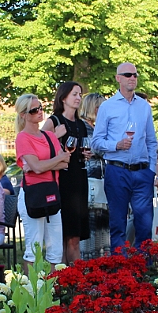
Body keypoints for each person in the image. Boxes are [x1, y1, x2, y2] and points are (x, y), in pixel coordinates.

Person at [90, 63, 158, 251]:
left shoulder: (144, 107)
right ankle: (121, 271)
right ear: (118, 78)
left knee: (145, 225)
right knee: (118, 223)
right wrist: (116, 145)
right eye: (128, 75)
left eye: (135, 75)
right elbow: (96, 142)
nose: (132, 78)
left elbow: (152, 141)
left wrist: (151, 170)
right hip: (117, 170)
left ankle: (144, 268)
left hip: (142, 171)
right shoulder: (107, 107)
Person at [16, 93, 70, 269]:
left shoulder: (49, 136)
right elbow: (42, 165)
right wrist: (45, 163)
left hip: (52, 191)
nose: (39, 112)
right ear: (23, 114)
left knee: (55, 248)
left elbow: (65, 162)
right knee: (34, 247)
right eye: (34, 110)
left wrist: (39, 165)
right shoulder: (23, 138)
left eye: (40, 108)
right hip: (33, 193)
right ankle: (30, 291)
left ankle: (53, 288)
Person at [41, 81, 90, 263]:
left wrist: (86, 154)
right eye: (74, 94)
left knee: (75, 235)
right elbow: (39, 147)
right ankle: (60, 280)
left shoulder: (81, 124)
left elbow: (81, 149)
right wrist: (55, 136)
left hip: (79, 180)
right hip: (60, 181)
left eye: (80, 94)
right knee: (60, 235)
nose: (78, 98)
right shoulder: (53, 121)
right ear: (63, 98)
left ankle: (76, 280)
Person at [79, 92, 110, 260]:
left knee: (100, 223)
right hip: (91, 180)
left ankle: (99, 258)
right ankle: (90, 260)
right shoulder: (85, 128)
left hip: (99, 180)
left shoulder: (95, 127)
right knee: (93, 224)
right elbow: (96, 149)